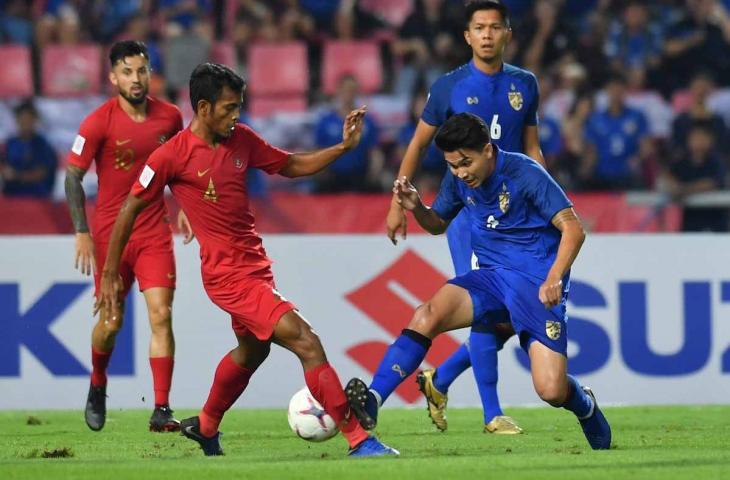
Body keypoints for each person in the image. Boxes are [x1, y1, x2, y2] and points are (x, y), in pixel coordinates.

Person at [96, 63, 398, 458]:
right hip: (227, 276)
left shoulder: (241, 139)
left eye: (238, 106)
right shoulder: (171, 156)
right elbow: (129, 208)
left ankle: (206, 425)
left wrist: (342, 148)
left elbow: (289, 165)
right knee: (308, 342)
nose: (236, 114)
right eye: (228, 107)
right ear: (203, 108)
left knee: (252, 351)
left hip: (255, 267)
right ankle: (359, 439)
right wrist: (109, 274)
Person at [347, 112, 611, 450]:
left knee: (551, 390)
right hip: (489, 280)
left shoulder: (525, 172)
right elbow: (438, 224)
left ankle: (584, 405)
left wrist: (554, 278)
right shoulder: (459, 177)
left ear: (488, 150)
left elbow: (574, 229)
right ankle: (372, 400)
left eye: (465, 163)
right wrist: (417, 207)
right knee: (426, 314)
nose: (460, 172)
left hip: (534, 284)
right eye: (452, 165)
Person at [386, 0, 545, 434]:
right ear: (468, 36)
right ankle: (492, 413)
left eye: (495, 27)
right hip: (469, 215)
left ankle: (440, 380)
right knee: (486, 310)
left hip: (516, 217)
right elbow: (418, 145)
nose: (488, 34)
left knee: (512, 314)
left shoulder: (525, 85)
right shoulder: (449, 86)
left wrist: (548, 200)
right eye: (480, 27)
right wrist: (398, 202)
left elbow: (532, 150)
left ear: (508, 33)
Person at [65, 40, 191, 433]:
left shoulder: (170, 118)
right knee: (112, 321)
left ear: (149, 72)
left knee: (161, 315)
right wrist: (82, 232)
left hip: (154, 229)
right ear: (112, 77)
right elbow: (72, 177)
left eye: (141, 71)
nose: (136, 79)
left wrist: (187, 203)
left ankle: (161, 409)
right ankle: (98, 384)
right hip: (109, 235)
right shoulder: (97, 122)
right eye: (127, 72)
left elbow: (184, 165)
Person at [1, 100, 58, 197]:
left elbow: (41, 174)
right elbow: (3, 165)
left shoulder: (43, 145)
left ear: (34, 120)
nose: (25, 123)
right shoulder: (10, 143)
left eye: (28, 119)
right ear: (17, 120)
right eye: (22, 119)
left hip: (36, 198)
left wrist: (17, 176)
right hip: (11, 197)